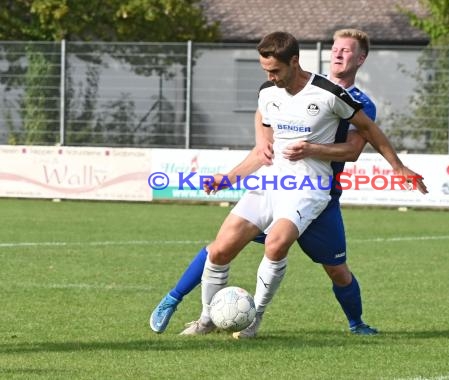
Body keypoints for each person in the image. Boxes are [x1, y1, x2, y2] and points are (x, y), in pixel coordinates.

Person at [151, 31, 427, 338]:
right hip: (272, 182)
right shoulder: (269, 92)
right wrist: (227, 178)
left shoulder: (334, 95)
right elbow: (264, 148)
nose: (269, 76)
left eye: (275, 70)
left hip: (311, 188)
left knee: (296, 252)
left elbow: (363, 137)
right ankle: (203, 318)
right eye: (335, 49)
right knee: (219, 248)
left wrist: (398, 166)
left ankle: (259, 319)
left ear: (294, 62)